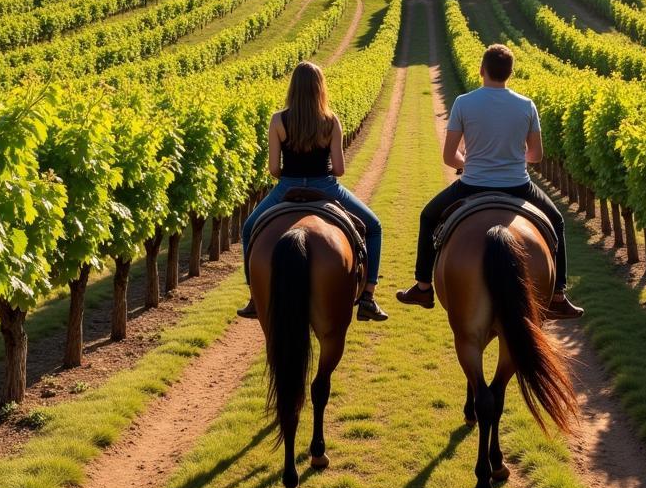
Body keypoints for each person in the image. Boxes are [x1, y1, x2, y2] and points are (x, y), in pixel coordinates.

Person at [397, 43, 582, 320]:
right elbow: (536, 155)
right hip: (518, 186)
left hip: (473, 184)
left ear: (482, 70)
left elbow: (450, 156)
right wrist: (513, 156)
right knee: (556, 221)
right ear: (510, 73)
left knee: (428, 216)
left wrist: (467, 162)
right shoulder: (526, 105)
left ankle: (423, 286)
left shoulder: (464, 103)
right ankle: (557, 296)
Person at [238, 61, 387, 321]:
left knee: (249, 228)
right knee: (374, 227)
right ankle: (368, 296)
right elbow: (339, 169)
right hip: (326, 187)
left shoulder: (278, 120)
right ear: (320, 88)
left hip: (287, 187)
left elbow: (274, 168)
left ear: (293, 88)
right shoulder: (331, 121)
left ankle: (254, 295)